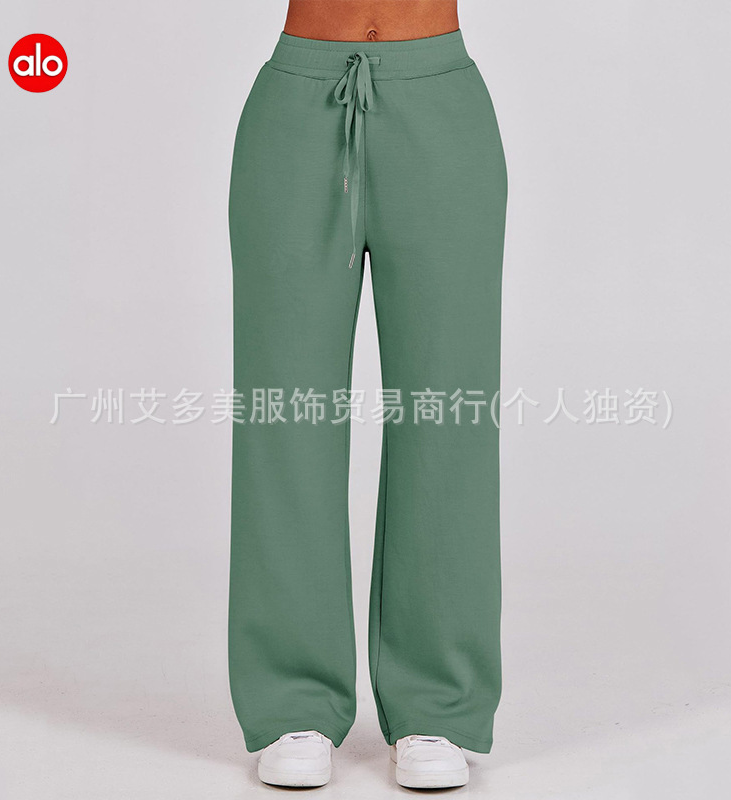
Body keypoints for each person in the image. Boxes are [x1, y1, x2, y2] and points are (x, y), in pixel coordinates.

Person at [227, 0, 507, 788]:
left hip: (442, 105)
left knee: (449, 412)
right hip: (295, 105)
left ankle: (436, 704)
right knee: (285, 412)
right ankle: (293, 698)